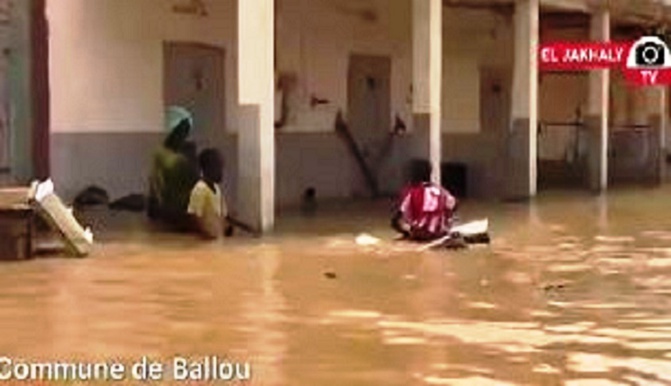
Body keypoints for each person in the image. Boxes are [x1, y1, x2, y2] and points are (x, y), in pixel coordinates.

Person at [147, 106, 200, 230]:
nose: (185, 135)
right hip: (170, 209)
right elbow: (156, 185)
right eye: (183, 131)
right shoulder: (166, 156)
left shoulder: (185, 152)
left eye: (186, 132)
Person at [392, 161, 458, 241]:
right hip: (441, 232)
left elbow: (399, 216)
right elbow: (455, 204)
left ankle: (410, 234)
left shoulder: (412, 192)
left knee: (396, 221)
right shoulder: (442, 191)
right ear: (430, 174)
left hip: (421, 234)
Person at [188, 148, 231, 239]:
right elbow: (194, 216)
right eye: (219, 167)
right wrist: (207, 233)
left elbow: (223, 216)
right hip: (204, 242)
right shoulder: (199, 189)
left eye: (222, 167)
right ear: (208, 169)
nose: (221, 172)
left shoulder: (217, 189)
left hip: (217, 240)